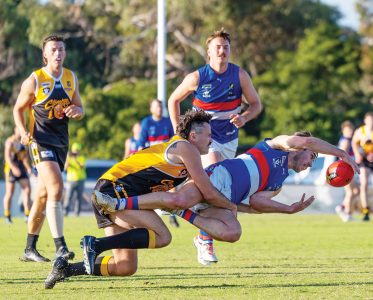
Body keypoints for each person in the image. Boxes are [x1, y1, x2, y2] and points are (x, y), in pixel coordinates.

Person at [90, 131, 359, 266]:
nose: (310, 163)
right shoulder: (276, 144)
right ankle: (120, 204)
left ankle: (182, 214)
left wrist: (287, 209)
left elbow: (255, 204)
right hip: (220, 178)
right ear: (299, 144)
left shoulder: (278, 182)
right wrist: (340, 154)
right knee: (179, 199)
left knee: (233, 232)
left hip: (225, 199)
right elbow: (310, 144)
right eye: (311, 158)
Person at [44, 109, 236, 289]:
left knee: (125, 266)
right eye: (209, 135)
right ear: (193, 136)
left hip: (111, 192)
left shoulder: (183, 150)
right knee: (163, 237)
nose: (212, 140)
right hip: (114, 191)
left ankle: (65, 269)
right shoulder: (187, 148)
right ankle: (95, 245)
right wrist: (231, 206)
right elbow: (207, 191)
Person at [167, 28, 262, 263]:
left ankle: (198, 230)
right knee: (215, 173)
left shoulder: (239, 75)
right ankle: (205, 239)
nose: (222, 50)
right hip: (205, 139)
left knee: (222, 190)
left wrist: (245, 117)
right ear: (208, 52)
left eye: (226, 47)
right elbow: (173, 100)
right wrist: (178, 131)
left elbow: (256, 105)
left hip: (230, 138)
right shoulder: (197, 77)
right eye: (217, 47)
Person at [13, 34, 84, 262]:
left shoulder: (71, 78)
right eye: (53, 49)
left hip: (61, 143)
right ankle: (61, 246)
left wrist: (77, 112)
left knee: (43, 195)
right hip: (40, 141)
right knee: (56, 188)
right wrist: (23, 132)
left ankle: (29, 248)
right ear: (45, 54)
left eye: (61, 49)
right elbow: (17, 109)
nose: (58, 53)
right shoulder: (34, 80)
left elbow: (80, 107)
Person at [139, 99, 178, 226]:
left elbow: (174, 140)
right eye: (156, 107)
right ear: (151, 109)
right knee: (150, 189)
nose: (159, 109)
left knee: (172, 186)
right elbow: (142, 144)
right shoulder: (146, 122)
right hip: (152, 161)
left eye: (160, 107)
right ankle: (148, 216)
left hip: (167, 160)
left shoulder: (167, 122)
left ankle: (173, 215)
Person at [3, 127, 33, 224]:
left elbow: (24, 159)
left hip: (21, 169)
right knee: (10, 193)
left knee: (27, 190)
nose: (21, 132)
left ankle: (27, 215)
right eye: (19, 130)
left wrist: (28, 169)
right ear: (15, 130)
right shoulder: (10, 141)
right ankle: (7, 215)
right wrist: (13, 168)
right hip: (11, 169)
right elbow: (7, 157)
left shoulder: (24, 143)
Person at [335, 121, 360, 222]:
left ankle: (342, 207)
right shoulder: (346, 141)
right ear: (343, 131)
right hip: (344, 169)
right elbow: (343, 155)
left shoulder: (348, 140)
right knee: (351, 192)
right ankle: (347, 214)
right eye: (348, 130)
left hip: (347, 169)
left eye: (351, 130)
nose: (350, 132)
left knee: (356, 191)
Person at [63, 142, 86, 216]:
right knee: (68, 196)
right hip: (71, 180)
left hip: (80, 180)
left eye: (77, 150)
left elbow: (82, 166)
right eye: (75, 150)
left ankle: (77, 213)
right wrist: (68, 159)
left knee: (78, 197)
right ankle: (65, 212)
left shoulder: (82, 157)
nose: (76, 152)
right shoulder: (69, 157)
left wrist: (75, 159)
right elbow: (65, 168)